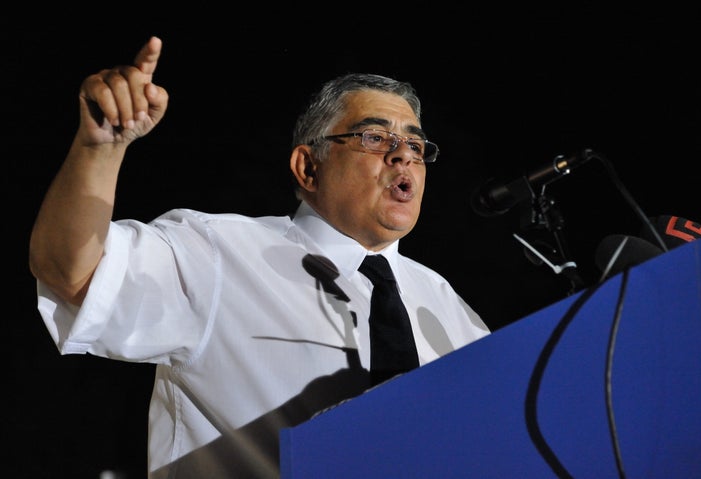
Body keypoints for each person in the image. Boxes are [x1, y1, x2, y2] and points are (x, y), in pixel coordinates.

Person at [29, 36, 491, 478]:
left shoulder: (446, 308)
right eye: (375, 137)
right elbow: (70, 271)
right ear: (308, 167)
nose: (403, 156)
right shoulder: (217, 254)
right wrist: (100, 149)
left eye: (415, 145)